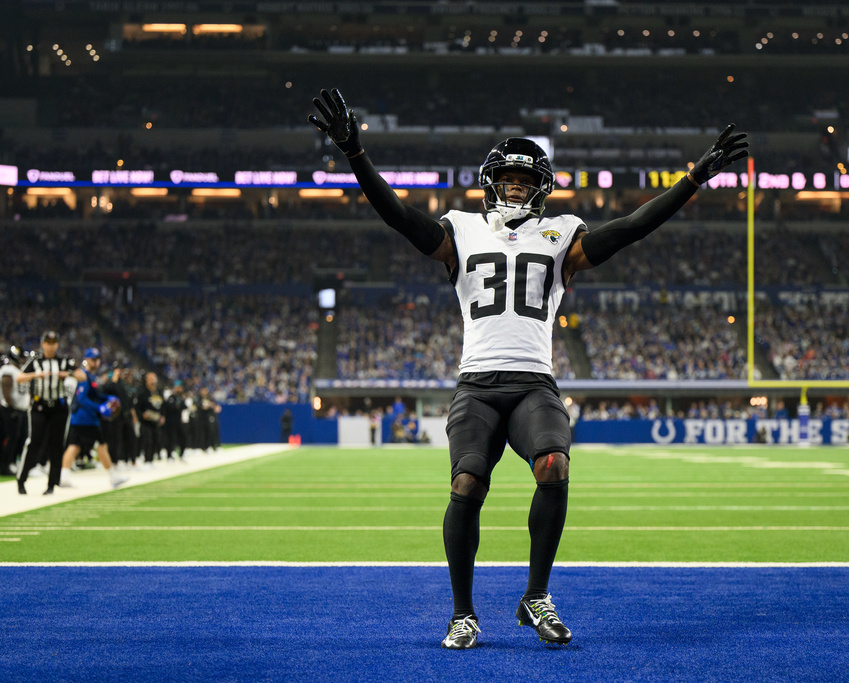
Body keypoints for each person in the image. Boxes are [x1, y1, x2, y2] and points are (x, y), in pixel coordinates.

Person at [308, 88, 747, 650]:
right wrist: (355, 154)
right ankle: (463, 612)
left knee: (555, 467)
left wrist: (692, 179)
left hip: (533, 383)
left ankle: (535, 594)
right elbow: (399, 218)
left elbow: (632, 227)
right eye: (509, 176)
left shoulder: (563, 232)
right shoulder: (460, 230)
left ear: (541, 186)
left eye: (526, 177)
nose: (517, 184)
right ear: (492, 180)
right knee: (466, 482)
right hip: (477, 385)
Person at [15, 331, 78, 495]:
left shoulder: (64, 361)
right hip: (39, 406)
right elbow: (19, 377)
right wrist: (36, 375)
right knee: (34, 441)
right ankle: (21, 479)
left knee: (56, 445)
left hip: (59, 407)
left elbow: (82, 375)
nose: (51, 346)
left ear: (57, 344)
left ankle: (52, 484)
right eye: (48, 343)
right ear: (43, 344)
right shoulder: (36, 361)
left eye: (54, 343)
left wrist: (69, 374)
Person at [58, 348, 129, 489]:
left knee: (75, 446)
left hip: (83, 418)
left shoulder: (90, 376)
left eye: (98, 359)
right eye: (94, 359)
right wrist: (99, 408)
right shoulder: (84, 376)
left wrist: (107, 398)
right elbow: (82, 398)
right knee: (100, 446)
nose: (97, 362)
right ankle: (113, 477)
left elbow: (95, 395)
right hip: (85, 418)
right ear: (87, 359)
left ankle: (64, 477)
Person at [1, 346, 31, 476]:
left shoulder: (18, 370)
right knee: (12, 437)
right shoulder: (8, 370)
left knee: (22, 438)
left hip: (21, 410)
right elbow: (6, 388)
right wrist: (10, 407)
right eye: (22, 357)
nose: (23, 360)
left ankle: (14, 462)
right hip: (10, 410)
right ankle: (6, 464)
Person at [137, 372, 164, 469]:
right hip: (145, 422)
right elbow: (137, 407)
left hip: (155, 422)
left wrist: (163, 416)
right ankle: (147, 460)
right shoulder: (142, 393)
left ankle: (151, 460)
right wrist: (141, 415)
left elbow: (162, 406)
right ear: (146, 381)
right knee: (147, 441)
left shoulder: (159, 392)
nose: (153, 380)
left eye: (154, 378)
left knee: (155, 440)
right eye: (150, 378)